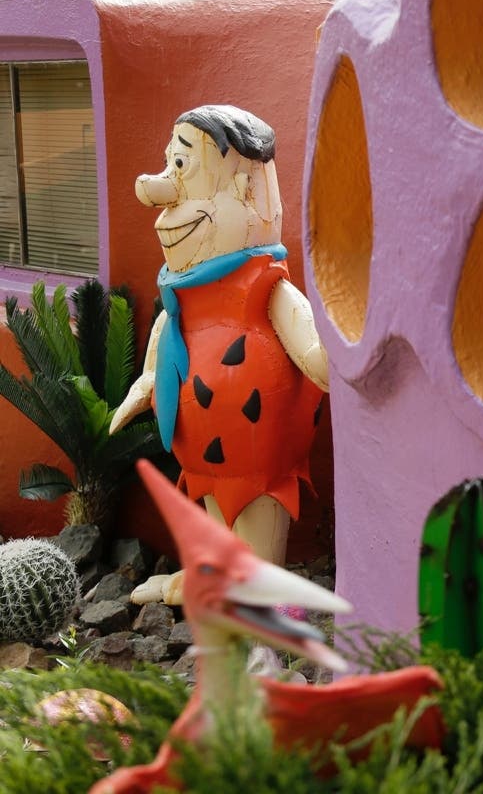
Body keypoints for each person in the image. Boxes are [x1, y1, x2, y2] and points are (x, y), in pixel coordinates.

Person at [110, 105, 328, 605]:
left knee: (254, 543)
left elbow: (319, 360)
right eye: (170, 166)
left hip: (260, 464)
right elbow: (162, 347)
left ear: (248, 191)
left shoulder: (270, 291)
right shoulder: (181, 301)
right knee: (215, 519)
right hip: (204, 458)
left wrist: (348, 341)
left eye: (183, 169)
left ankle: (257, 625)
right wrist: (145, 386)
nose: (161, 191)